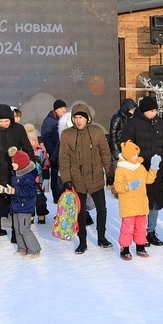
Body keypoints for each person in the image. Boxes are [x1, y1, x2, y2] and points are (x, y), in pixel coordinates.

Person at [55, 102, 112, 254]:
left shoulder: (97, 132)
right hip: (77, 180)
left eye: (81, 117)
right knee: (79, 213)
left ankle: (101, 237)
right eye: (76, 117)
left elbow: (105, 154)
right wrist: (66, 179)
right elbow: (64, 159)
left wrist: (110, 173)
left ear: (88, 118)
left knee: (101, 209)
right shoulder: (67, 135)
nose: (79, 120)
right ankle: (82, 241)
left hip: (96, 178)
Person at [0, 104, 34, 249]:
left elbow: (27, 149)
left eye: (6, 121)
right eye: (0, 121)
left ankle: (17, 233)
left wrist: (28, 168)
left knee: (15, 207)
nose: (3, 124)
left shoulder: (18, 129)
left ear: (11, 119)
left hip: (15, 174)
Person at [121, 96, 163, 247]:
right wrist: (133, 161)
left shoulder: (161, 123)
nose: (154, 113)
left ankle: (151, 231)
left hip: (157, 169)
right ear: (143, 111)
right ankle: (140, 232)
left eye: (156, 110)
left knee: (155, 202)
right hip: (139, 170)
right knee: (142, 201)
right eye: (151, 110)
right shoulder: (133, 124)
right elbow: (126, 144)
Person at [112, 141, 160, 260]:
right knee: (127, 228)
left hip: (141, 204)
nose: (136, 157)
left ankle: (140, 246)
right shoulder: (121, 169)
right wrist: (130, 186)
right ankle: (125, 248)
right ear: (127, 155)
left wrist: (153, 168)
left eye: (137, 154)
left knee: (141, 227)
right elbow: (117, 187)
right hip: (128, 205)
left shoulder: (140, 167)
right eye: (134, 155)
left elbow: (149, 180)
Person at [9, 150, 42, 259]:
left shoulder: (28, 177)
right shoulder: (16, 174)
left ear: (21, 163)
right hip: (16, 206)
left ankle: (34, 249)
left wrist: (14, 191)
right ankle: (22, 248)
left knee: (24, 229)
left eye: (14, 162)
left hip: (25, 207)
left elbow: (29, 192)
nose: (12, 164)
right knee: (17, 228)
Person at [41, 99, 68, 200]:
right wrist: (52, 151)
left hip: (64, 151)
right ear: (55, 110)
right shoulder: (49, 120)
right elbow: (46, 136)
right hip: (55, 152)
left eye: (65, 108)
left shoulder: (66, 119)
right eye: (61, 108)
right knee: (55, 173)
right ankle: (56, 195)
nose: (63, 110)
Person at [107, 98, 137, 179]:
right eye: (132, 109)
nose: (133, 111)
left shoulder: (131, 118)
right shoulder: (117, 118)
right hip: (119, 148)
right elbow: (113, 135)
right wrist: (116, 151)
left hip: (128, 148)